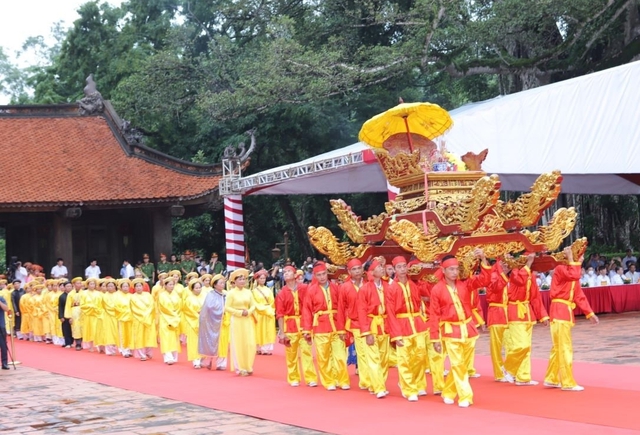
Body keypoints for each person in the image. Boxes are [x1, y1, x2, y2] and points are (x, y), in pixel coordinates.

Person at [430, 249, 492, 408]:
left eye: (456, 269)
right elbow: (434, 315)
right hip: (451, 332)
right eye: (451, 269)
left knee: (461, 364)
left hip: (468, 329)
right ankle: (466, 396)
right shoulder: (437, 289)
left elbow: (485, 280)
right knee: (457, 364)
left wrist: (483, 258)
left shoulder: (466, 284)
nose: (454, 272)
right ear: (443, 270)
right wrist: (435, 338)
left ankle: (448, 391)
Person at [544, 247, 599, 391]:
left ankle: (551, 378)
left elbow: (579, 295)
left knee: (558, 348)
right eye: (580, 257)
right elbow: (574, 274)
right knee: (564, 348)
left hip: (562, 312)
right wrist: (570, 258)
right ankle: (567, 382)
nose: (581, 260)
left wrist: (589, 313)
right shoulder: (561, 268)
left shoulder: (571, 274)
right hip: (560, 312)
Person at [502, 253, 549, 385]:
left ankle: (523, 377)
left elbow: (535, 297)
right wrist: (528, 264)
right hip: (514, 312)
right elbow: (519, 280)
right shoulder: (515, 271)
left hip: (527, 314)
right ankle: (508, 368)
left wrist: (543, 315)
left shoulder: (531, 275)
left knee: (527, 347)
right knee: (521, 345)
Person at [302, 261, 349, 391]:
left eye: (324, 274)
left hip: (336, 324)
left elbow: (342, 307)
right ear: (315, 276)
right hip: (320, 326)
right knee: (323, 356)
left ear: (327, 274)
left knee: (340, 355)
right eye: (319, 275)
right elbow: (306, 310)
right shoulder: (311, 290)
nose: (322, 277)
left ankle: (342, 379)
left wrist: (344, 326)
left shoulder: (336, 287)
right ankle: (329, 381)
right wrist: (307, 329)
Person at [386, 256, 428, 402]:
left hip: (417, 324)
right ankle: (409, 388)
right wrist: (396, 335)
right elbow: (390, 313)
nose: (403, 269)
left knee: (421, 355)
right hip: (401, 325)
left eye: (404, 266)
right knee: (404, 359)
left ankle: (417, 382)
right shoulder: (391, 288)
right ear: (394, 270)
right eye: (399, 267)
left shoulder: (414, 284)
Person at [276, 265, 318, 387]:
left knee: (307, 352)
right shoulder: (281, 293)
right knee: (291, 354)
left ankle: (310, 377)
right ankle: (293, 377)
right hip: (290, 326)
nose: (286, 273)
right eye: (284, 272)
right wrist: (282, 332)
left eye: (289, 271)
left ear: (295, 275)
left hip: (304, 324)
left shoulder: (304, 288)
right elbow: (280, 314)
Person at [357, 259, 391, 398]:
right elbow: (362, 312)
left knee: (384, 358)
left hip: (384, 325)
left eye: (382, 266)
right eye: (379, 267)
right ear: (371, 272)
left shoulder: (387, 286)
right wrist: (367, 332)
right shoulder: (365, 289)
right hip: (372, 326)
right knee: (373, 358)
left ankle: (376, 383)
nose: (382, 269)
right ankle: (379, 387)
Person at [338, 258, 370, 390]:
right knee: (362, 352)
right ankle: (366, 381)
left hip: (370, 323)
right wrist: (341, 329)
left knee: (372, 352)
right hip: (356, 324)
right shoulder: (344, 287)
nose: (357, 271)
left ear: (363, 270)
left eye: (359, 268)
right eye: (354, 269)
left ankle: (372, 378)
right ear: (349, 271)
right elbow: (340, 308)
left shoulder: (369, 284)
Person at [225, 268, 257, 376]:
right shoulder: (231, 293)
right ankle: (240, 367)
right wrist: (239, 313)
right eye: (240, 279)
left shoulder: (248, 292)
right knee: (238, 343)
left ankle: (248, 365)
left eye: (244, 279)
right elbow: (227, 308)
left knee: (249, 343)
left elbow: (253, 305)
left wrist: (248, 312)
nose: (243, 281)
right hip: (237, 320)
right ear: (235, 281)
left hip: (247, 319)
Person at [199, 274, 228, 370]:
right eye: (221, 283)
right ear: (215, 285)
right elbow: (209, 307)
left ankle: (221, 363)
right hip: (212, 322)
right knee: (211, 342)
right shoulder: (211, 295)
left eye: (223, 282)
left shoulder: (226, 294)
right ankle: (208, 360)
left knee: (223, 342)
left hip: (224, 322)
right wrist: (221, 310)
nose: (223, 284)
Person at [130, 278, 157, 361]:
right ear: (134, 288)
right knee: (140, 336)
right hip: (139, 319)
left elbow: (152, 305)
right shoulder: (132, 297)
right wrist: (144, 315)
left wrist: (147, 315)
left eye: (140, 286)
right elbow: (134, 309)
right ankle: (142, 354)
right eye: (137, 286)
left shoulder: (148, 295)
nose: (138, 288)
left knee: (149, 336)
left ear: (143, 287)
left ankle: (148, 352)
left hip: (148, 319)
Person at [158, 277, 182, 365]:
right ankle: (168, 357)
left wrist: (176, 315)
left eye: (173, 284)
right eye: (170, 285)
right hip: (166, 319)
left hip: (175, 319)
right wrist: (173, 314)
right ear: (165, 285)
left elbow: (180, 306)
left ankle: (174, 356)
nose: (172, 286)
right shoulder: (162, 295)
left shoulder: (175, 294)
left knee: (174, 337)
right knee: (166, 338)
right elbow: (164, 308)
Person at [252, 269, 276, 355]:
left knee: (267, 330)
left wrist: (270, 309)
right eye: (261, 278)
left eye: (264, 278)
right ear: (257, 280)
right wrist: (263, 309)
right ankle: (258, 347)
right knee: (259, 330)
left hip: (268, 312)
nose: (262, 280)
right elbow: (254, 303)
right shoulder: (254, 291)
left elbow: (272, 301)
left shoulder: (268, 290)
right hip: (259, 313)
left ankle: (265, 348)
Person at [184, 279, 207, 368]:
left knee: (204, 341)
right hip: (192, 322)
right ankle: (196, 361)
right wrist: (198, 315)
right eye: (196, 288)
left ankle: (202, 359)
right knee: (194, 342)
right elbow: (188, 311)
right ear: (192, 288)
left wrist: (203, 314)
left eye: (199, 287)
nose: (198, 289)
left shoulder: (205, 296)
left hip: (204, 321)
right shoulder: (188, 299)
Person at [115, 279, 134, 357]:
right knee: (123, 333)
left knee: (130, 333)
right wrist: (124, 312)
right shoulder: (117, 296)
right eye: (124, 286)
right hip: (122, 317)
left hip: (131, 317)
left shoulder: (131, 296)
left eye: (127, 286)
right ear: (121, 287)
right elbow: (116, 307)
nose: (125, 288)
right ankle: (124, 350)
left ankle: (129, 349)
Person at [0, 292, 10, 369]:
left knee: (3, 345)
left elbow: (6, 309)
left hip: (1, 325)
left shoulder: (1, 298)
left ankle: (4, 363)